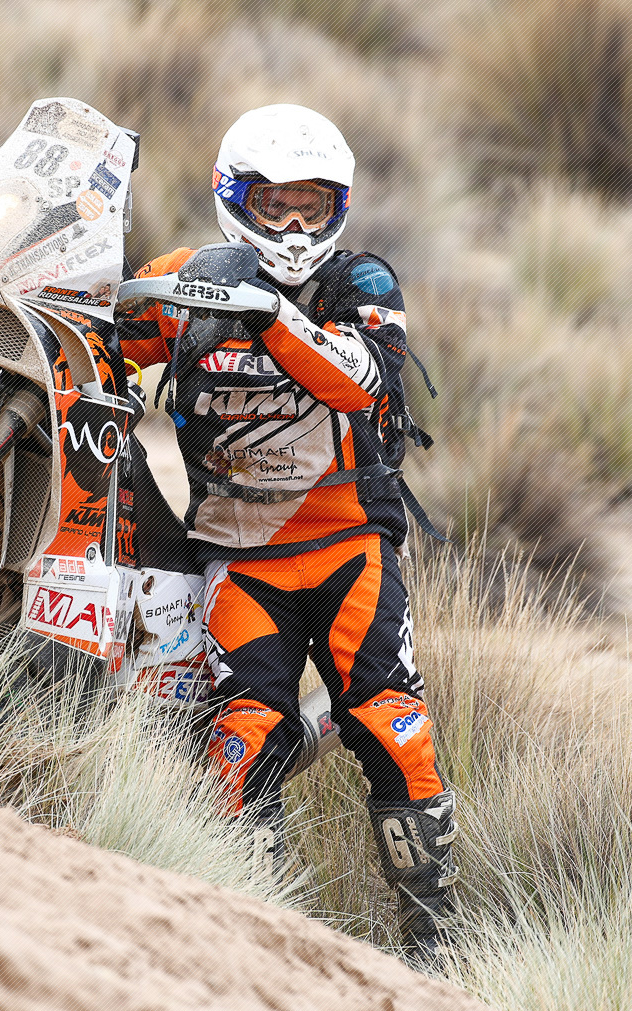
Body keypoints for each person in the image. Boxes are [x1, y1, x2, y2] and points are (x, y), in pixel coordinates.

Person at [117, 104, 457, 963]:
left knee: (391, 726)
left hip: (349, 548)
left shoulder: (361, 283)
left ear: (339, 205)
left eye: (312, 204)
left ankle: (434, 940)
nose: (296, 226)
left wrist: (269, 313)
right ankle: (253, 937)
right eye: (275, 205)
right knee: (241, 742)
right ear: (235, 198)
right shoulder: (185, 282)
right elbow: (97, 334)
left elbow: (361, 380)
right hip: (239, 559)